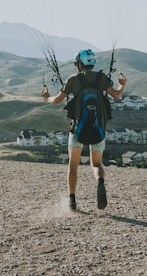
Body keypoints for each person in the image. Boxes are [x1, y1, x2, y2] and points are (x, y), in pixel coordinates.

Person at [42, 49, 126, 211]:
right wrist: (122, 86)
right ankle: (100, 181)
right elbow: (116, 95)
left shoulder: (74, 80)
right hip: (98, 129)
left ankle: (72, 201)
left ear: (80, 64)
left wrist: (47, 97)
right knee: (97, 163)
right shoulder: (101, 78)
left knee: (73, 166)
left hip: (77, 130)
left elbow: (57, 100)